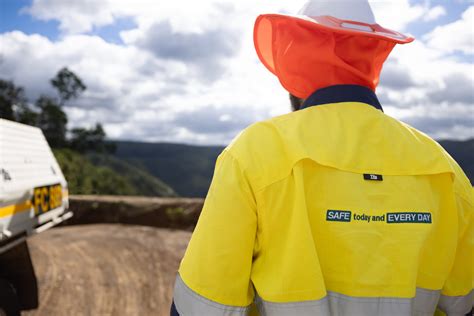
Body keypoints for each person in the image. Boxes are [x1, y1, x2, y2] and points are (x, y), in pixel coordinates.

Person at [171, 0, 473, 315]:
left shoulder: (255, 152)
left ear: (294, 64)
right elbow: (463, 304)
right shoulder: (444, 168)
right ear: (373, 59)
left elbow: (203, 307)